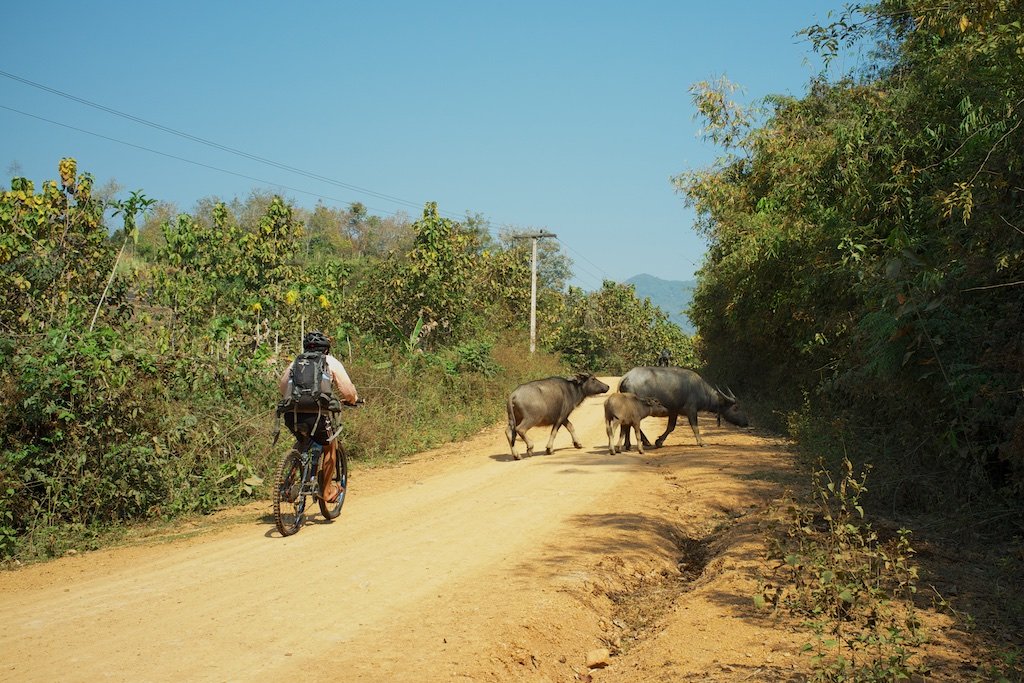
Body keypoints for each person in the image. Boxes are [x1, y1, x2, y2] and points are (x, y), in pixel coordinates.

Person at [278, 331, 359, 502]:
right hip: (318, 417)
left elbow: (283, 387)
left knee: (301, 441)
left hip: (292, 416)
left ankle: (288, 484)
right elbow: (347, 390)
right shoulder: (330, 362)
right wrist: (352, 400)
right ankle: (328, 490)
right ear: (326, 349)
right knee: (330, 446)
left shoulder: (295, 363)